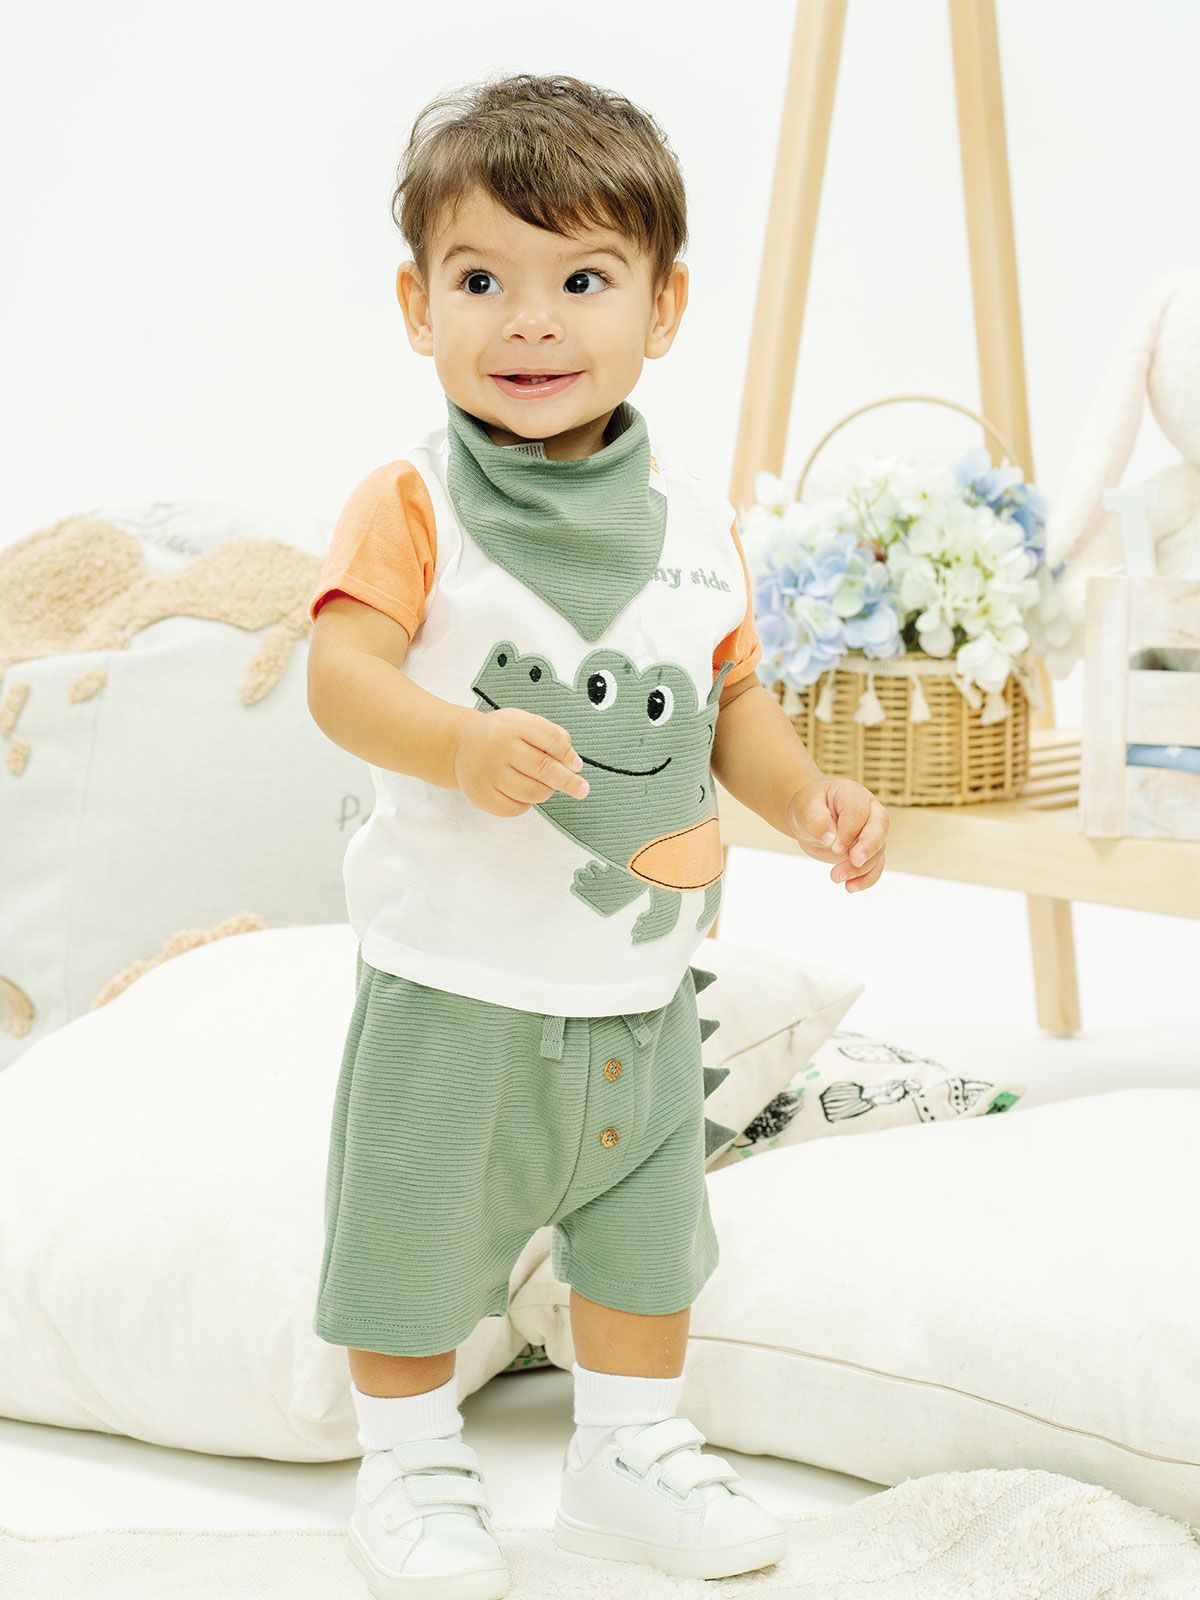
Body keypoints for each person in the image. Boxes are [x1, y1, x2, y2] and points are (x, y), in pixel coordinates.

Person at [306, 71, 889, 1600]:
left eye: (582, 281)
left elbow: (730, 699)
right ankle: (408, 1463)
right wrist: (456, 741)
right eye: (480, 281)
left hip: (637, 989)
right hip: (455, 985)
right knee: (410, 1233)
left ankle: (629, 1450)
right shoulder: (415, 500)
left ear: (663, 306)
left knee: (647, 1242)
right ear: (418, 306)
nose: (532, 322)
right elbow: (342, 673)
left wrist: (803, 795)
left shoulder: (697, 526)